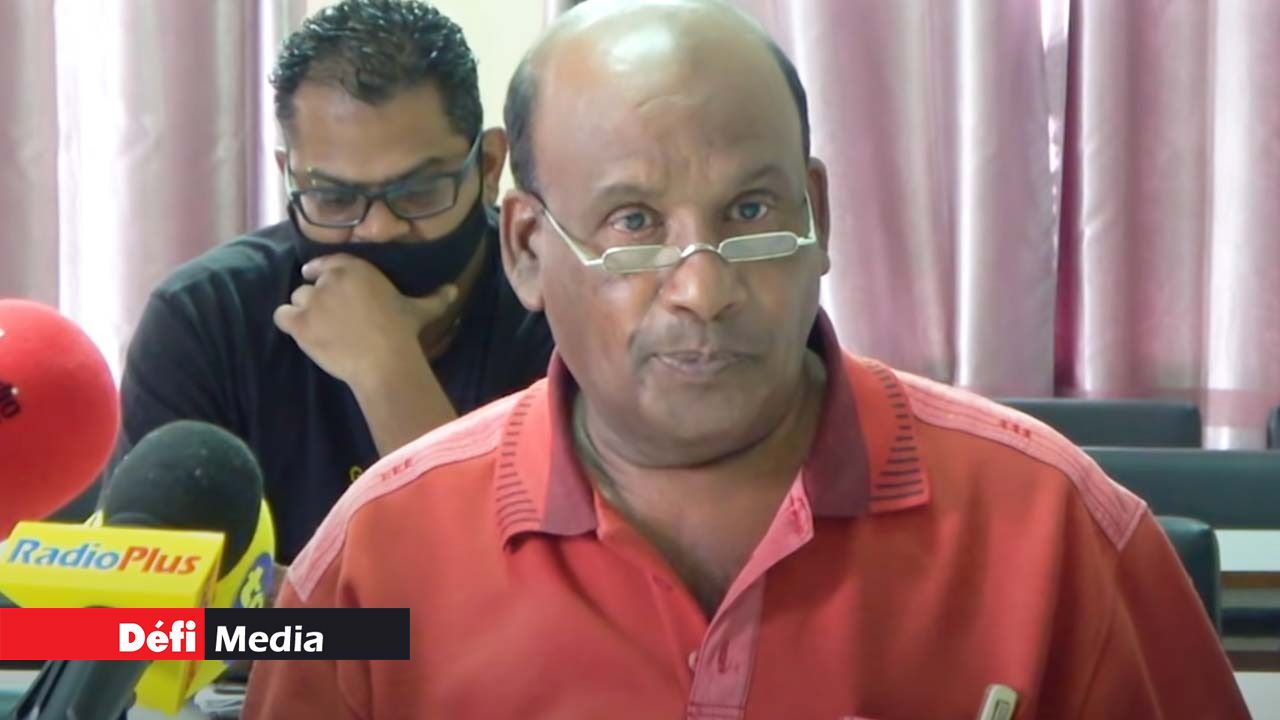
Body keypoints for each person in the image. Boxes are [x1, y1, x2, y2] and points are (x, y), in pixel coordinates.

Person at [244, 1, 1249, 718]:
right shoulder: (374, 568)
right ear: (527, 250)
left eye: (752, 211)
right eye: (633, 223)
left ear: (820, 216)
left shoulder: (1056, 533)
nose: (704, 286)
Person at [105, 0, 552, 563]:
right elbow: (134, 606)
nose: (378, 229)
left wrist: (389, 371)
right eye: (335, 198)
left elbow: (521, 594)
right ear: (288, 177)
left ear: (488, 168)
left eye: (419, 192)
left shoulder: (563, 311)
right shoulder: (204, 317)